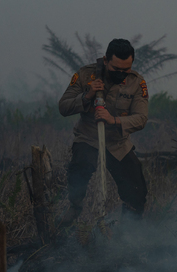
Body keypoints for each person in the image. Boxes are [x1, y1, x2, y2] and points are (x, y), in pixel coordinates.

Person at [58, 38, 149, 227]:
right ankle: (75, 207)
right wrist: (88, 96)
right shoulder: (85, 75)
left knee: (137, 188)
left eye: (126, 69)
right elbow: (64, 107)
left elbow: (141, 118)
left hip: (118, 143)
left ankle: (128, 231)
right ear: (106, 60)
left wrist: (113, 120)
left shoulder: (136, 82)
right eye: (117, 69)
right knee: (79, 169)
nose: (122, 74)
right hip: (88, 137)